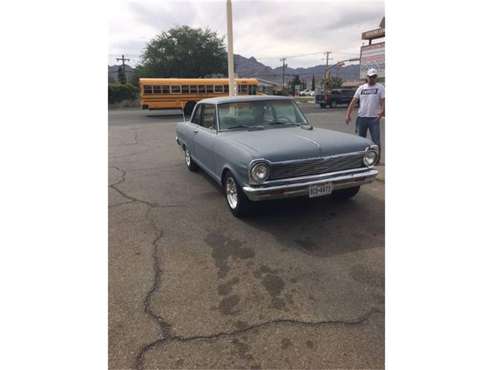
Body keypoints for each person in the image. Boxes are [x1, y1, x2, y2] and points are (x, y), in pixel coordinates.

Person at [345, 68, 385, 152]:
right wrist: (348, 114)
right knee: (361, 140)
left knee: (376, 141)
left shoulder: (380, 87)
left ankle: (376, 160)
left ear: (376, 77)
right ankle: (361, 158)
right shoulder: (361, 88)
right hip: (361, 118)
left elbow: (383, 101)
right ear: (367, 77)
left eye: (374, 76)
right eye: (370, 77)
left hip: (374, 118)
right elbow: (353, 102)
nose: (372, 78)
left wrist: (382, 111)